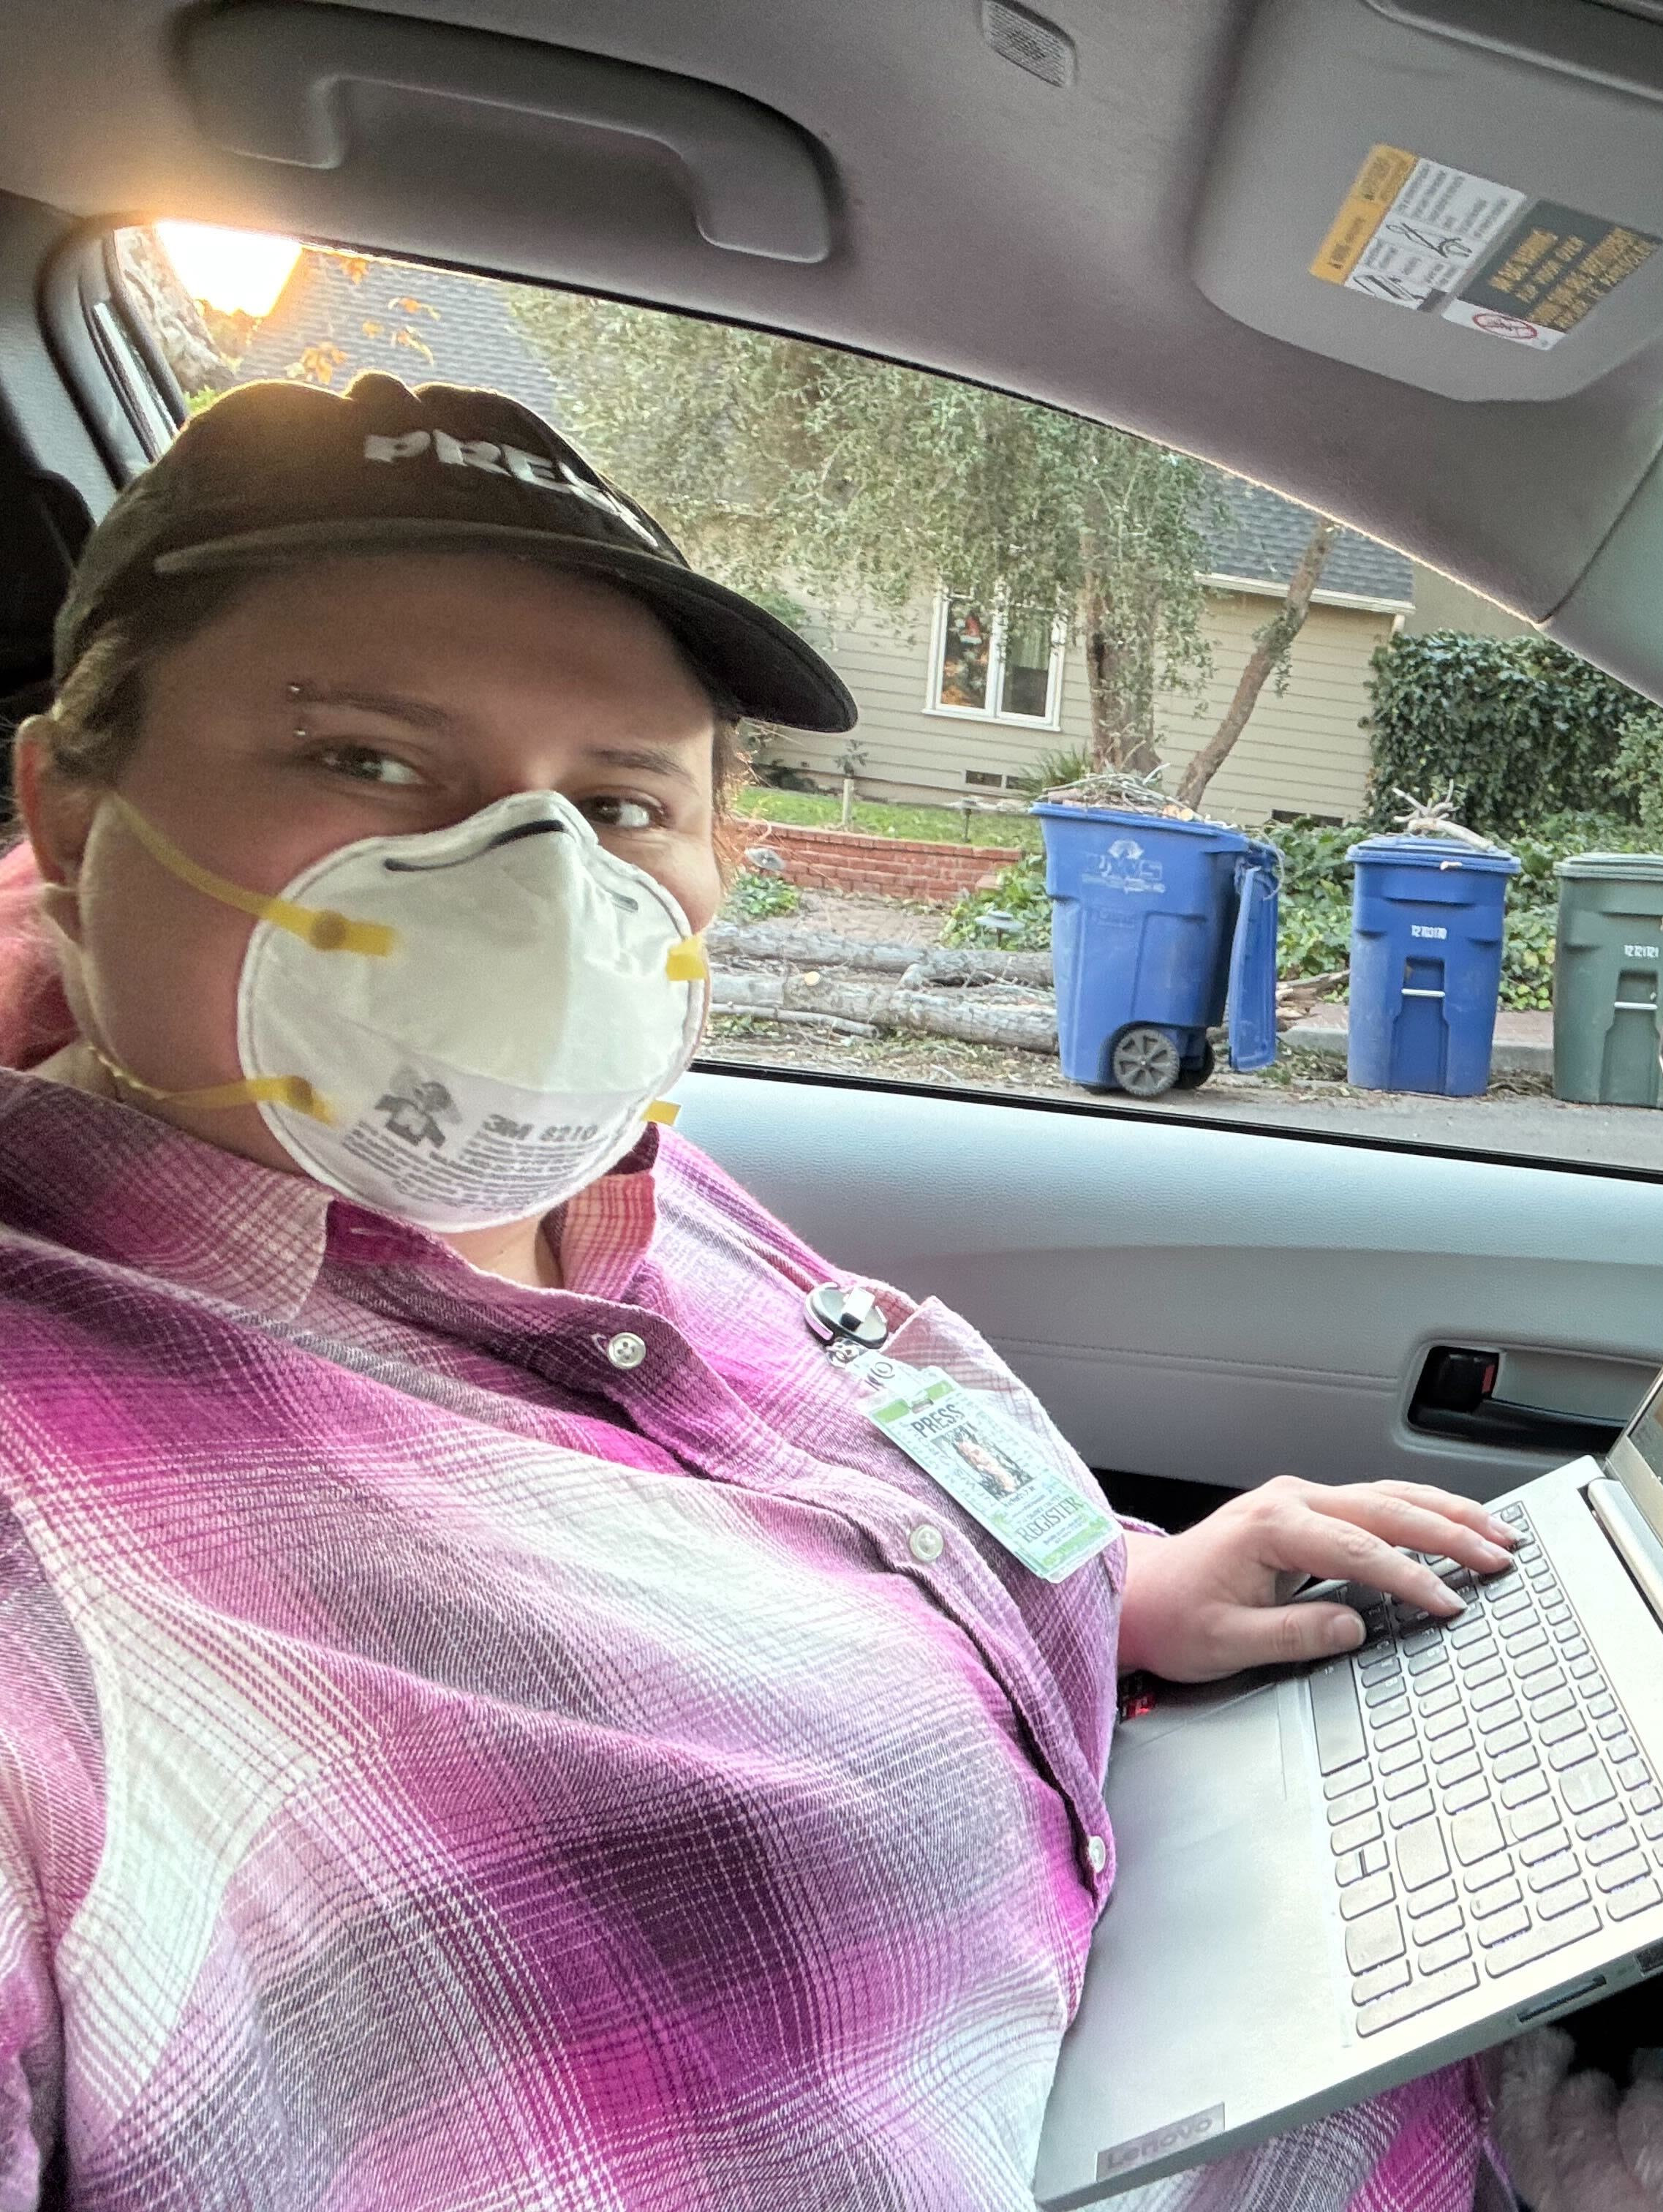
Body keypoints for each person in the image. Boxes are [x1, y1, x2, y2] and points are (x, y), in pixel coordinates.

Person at [0, 376, 1514, 2208]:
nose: (531, 895)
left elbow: (808, 1505)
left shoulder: (624, 1194)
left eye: (623, 802)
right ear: (70, 813)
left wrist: (1111, 1590)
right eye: (369, 762)